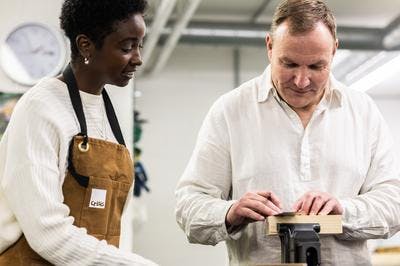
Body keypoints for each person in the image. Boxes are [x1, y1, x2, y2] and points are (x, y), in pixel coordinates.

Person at [175, 0, 400, 265]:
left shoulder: (363, 112)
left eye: (316, 67)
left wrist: (344, 210)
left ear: (334, 51)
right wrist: (230, 212)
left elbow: (393, 204)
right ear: (270, 47)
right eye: (290, 64)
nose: (302, 81)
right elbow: (188, 206)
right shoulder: (230, 111)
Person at [0, 0, 157, 265]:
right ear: (86, 45)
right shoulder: (41, 108)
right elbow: (47, 233)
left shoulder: (106, 114)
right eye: (127, 47)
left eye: (139, 45)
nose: (138, 58)